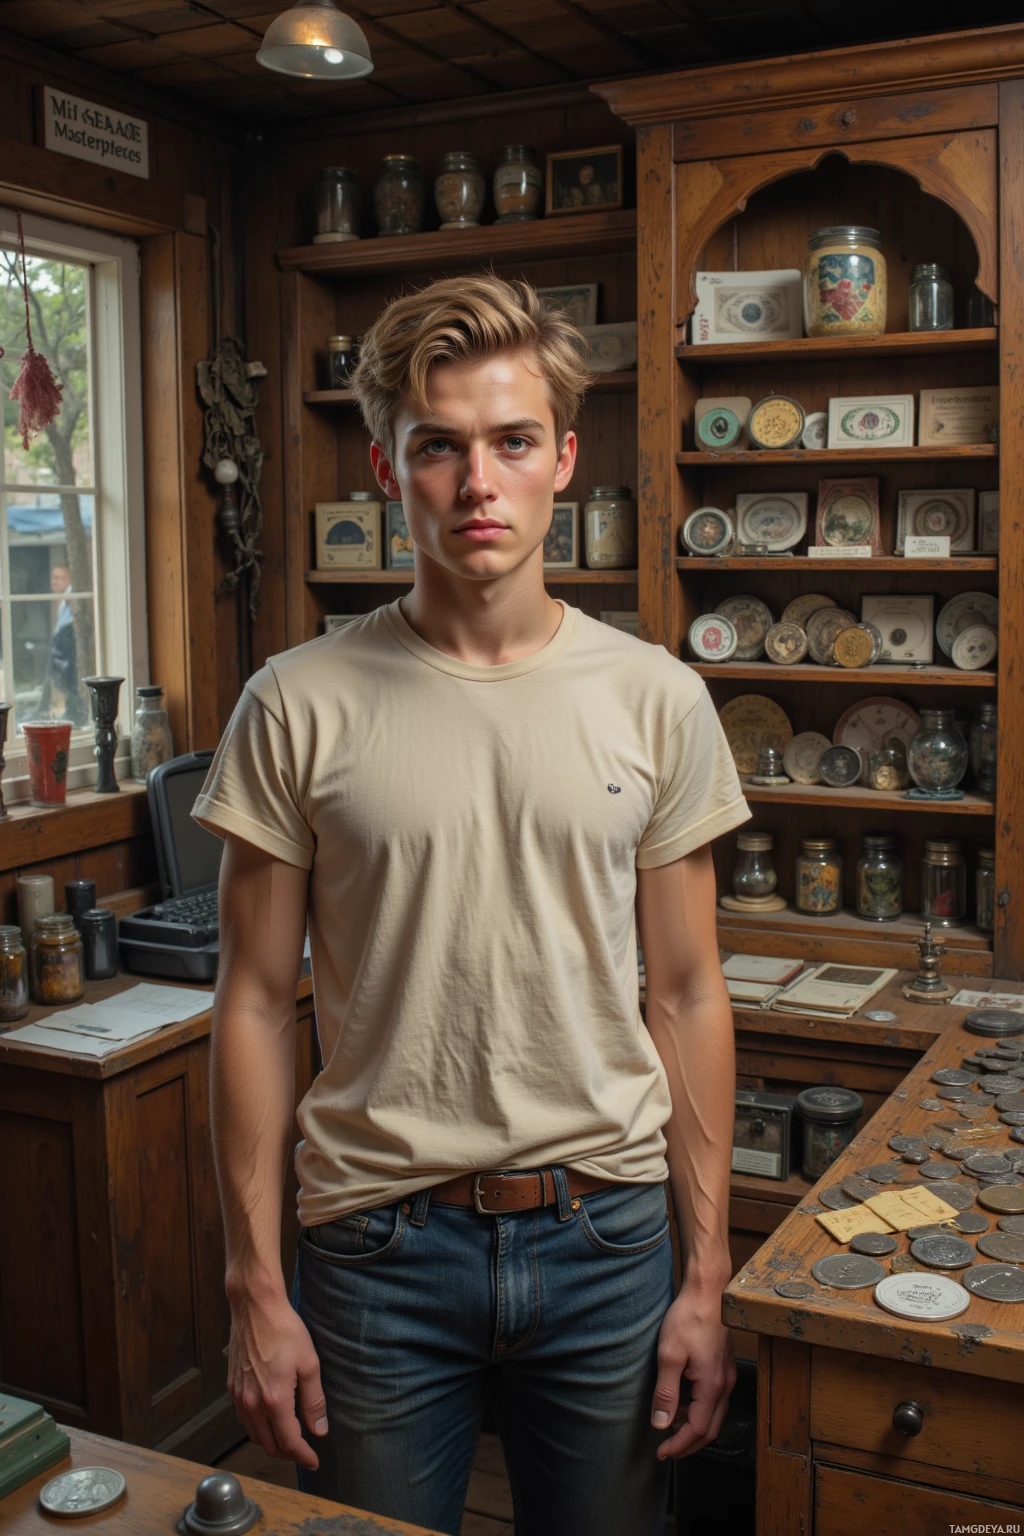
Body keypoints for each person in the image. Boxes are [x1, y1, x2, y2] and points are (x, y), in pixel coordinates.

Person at [192, 274, 750, 1536]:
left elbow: (687, 992)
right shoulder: (295, 700)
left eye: (509, 443)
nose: (477, 483)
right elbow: (252, 1004)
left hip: (606, 1236)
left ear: (562, 458)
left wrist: (705, 1271)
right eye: (437, 447)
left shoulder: (657, 697)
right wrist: (252, 1286)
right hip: (375, 1246)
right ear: (389, 471)